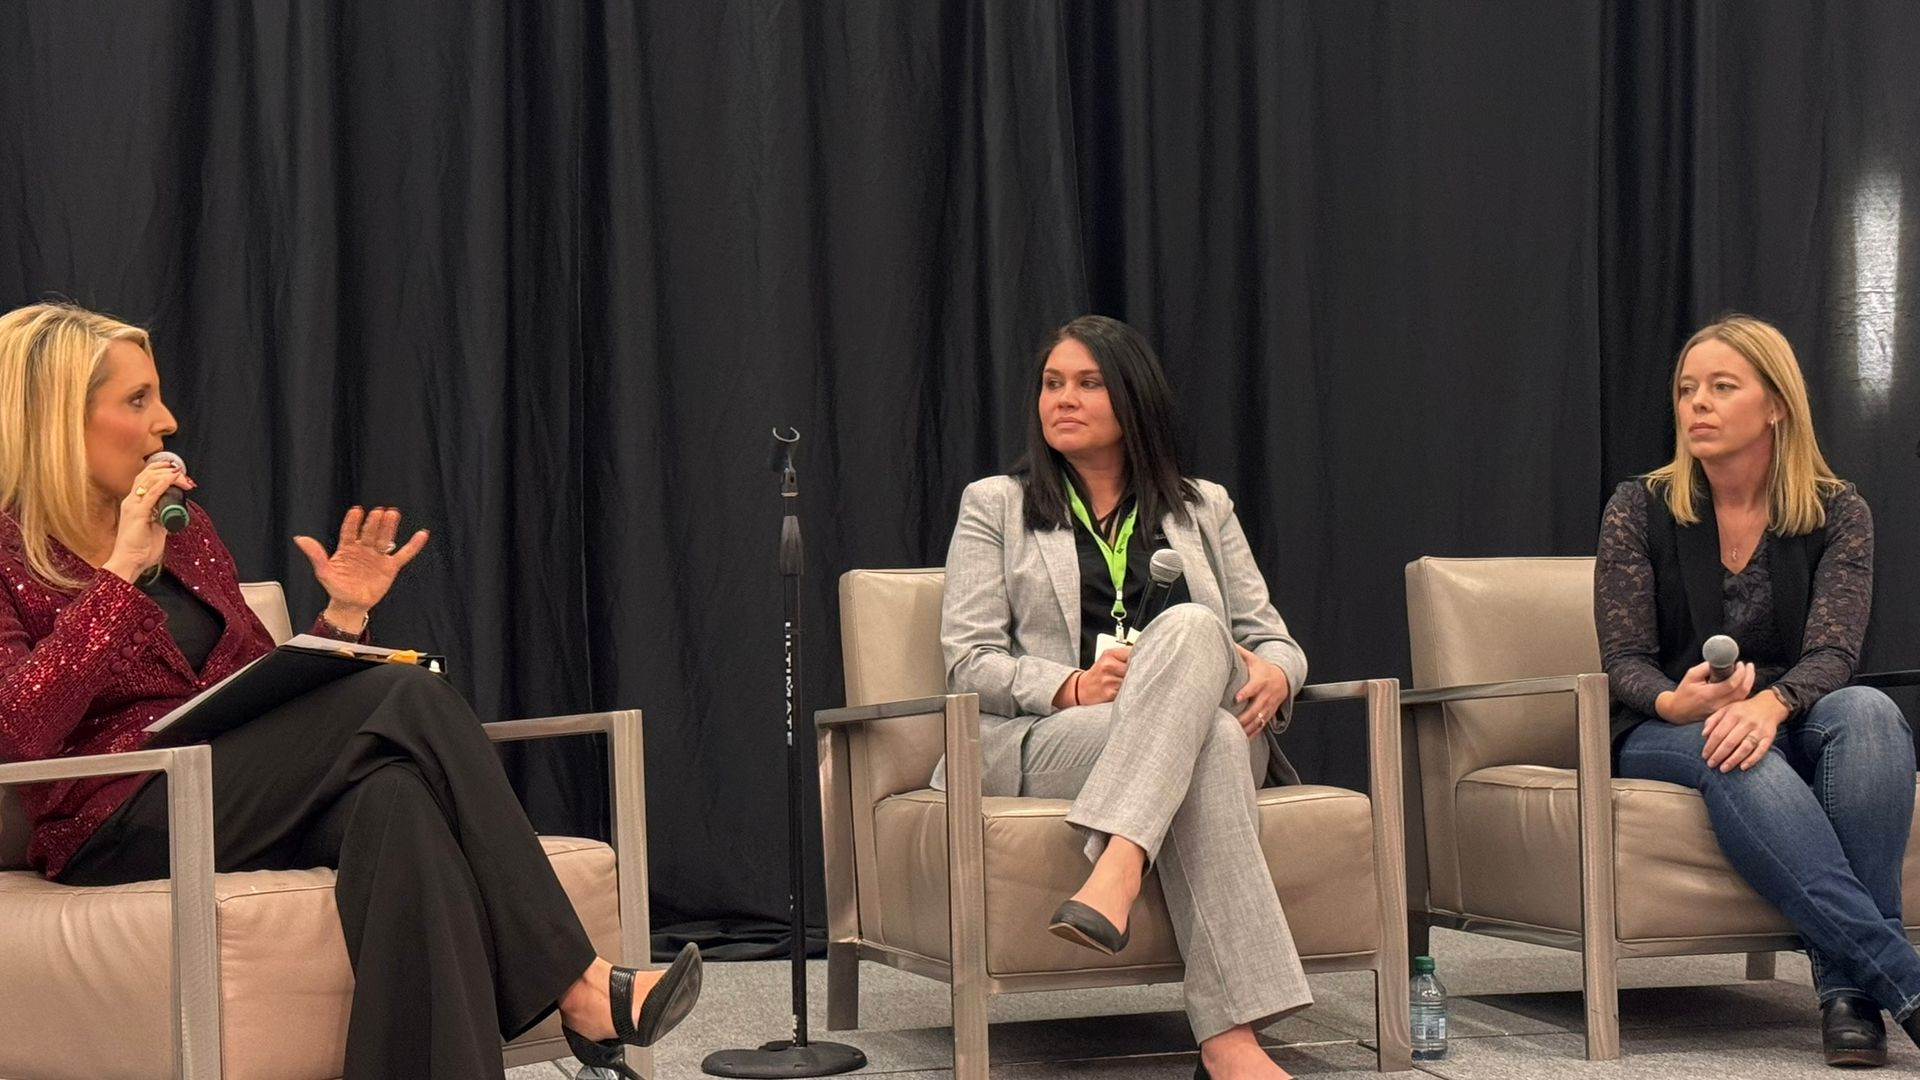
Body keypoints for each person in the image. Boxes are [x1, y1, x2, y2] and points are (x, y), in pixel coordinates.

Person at [0, 301, 698, 1080]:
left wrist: (341, 618)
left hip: (234, 791)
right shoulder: (10, 550)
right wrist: (121, 573)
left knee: (397, 797)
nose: (166, 421)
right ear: (56, 419)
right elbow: (17, 728)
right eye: (137, 400)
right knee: (408, 697)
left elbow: (254, 687)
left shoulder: (186, 531)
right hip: (118, 817)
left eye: (157, 395)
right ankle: (579, 983)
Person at [940, 314, 1309, 1080]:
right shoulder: (996, 505)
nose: (1062, 399)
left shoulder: (1204, 506)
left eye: (1087, 383)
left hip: (1180, 720)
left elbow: (1271, 639)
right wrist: (1070, 684)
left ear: (1133, 397)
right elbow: (967, 662)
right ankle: (1231, 1042)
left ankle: (1118, 862)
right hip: (1061, 736)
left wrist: (1279, 674)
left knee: (1195, 631)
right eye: (1051, 384)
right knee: (1210, 733)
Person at [1596, 314, 1919, 1069]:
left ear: (1775, 404)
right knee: (1734, 750)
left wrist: (1770, 704)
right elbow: (1625, 659)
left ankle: (1849, 995)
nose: (1697, 405)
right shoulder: (1638, 506)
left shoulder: (1839, 510)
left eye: (1721, 387)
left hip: (1789, 709)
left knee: (1870, 711)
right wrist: (1675, 702)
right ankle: (1901, 981)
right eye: (1687, 390)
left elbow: (1834, 652)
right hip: (1664, 724)